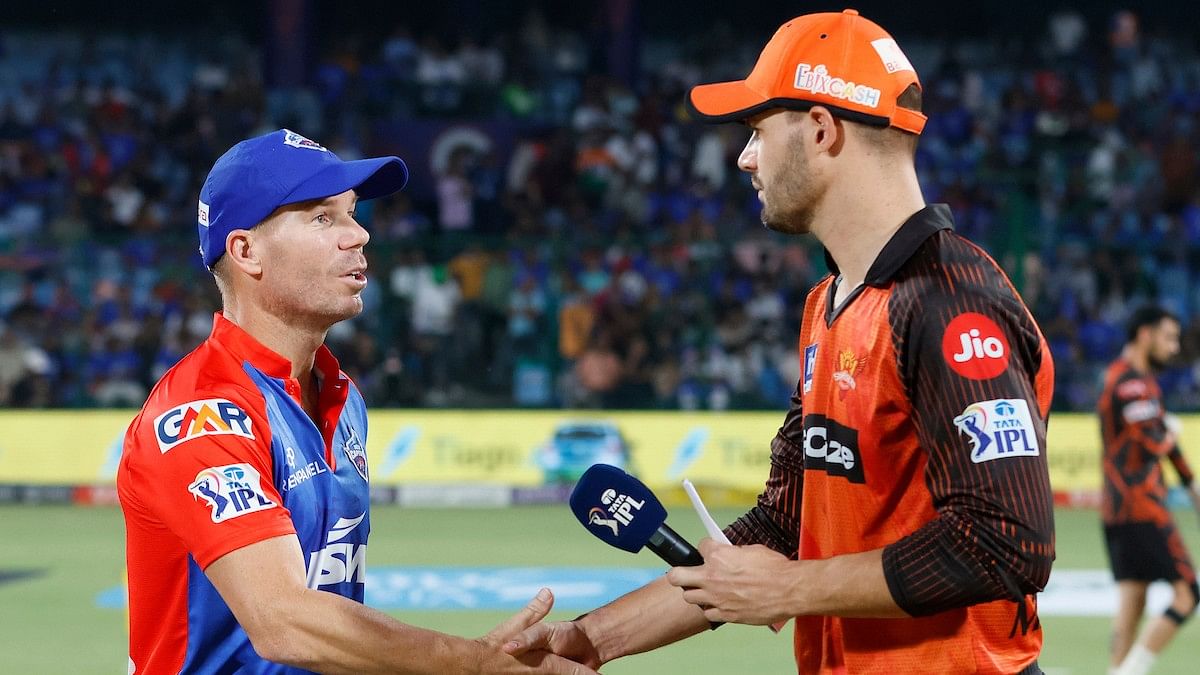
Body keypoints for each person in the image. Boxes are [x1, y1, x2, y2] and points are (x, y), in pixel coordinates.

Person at [505, 9, 1055, 674]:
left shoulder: (947, 299)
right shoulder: (827, 305)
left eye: (759, 131)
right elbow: (783, 527)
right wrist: (590, 641)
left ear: (822, 129)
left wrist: (790, 587)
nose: (744, 157)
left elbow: (1007, 541)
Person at [117, 129, 596, 675]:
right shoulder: (201, 414)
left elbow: (330, 634)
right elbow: (284, 622)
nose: (359, 235)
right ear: (246, 251)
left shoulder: (343, 399)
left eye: (352, 214)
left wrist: (473, 663)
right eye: (324, 218)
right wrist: (474, 666)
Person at [1098, 306, 1199, 675]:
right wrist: (1171, 429)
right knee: (1188, 594)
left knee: (1133, 599)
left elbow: (1157, 440)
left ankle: (1116, 670)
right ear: (1145, 334)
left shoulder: (1128, 379)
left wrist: (1189, 484)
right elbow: (1152, 444)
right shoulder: (1132, 384)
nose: (1173, 347)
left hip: (1115, 509)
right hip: (1142, 506)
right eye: (1168, 337)